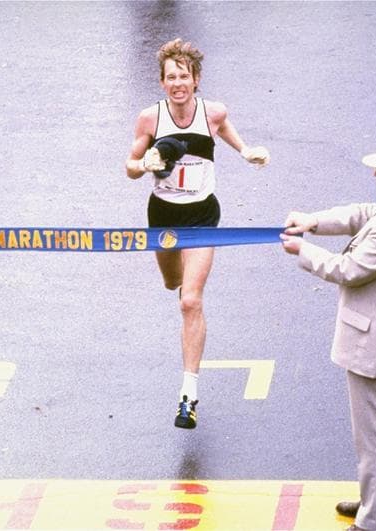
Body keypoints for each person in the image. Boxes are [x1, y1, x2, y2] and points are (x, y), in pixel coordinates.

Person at [280, 138, 376, 530]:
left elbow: (346, 270)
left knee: (375, 438)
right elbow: (365, 213)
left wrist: (303, 249)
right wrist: (314, 221)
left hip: (374, 341)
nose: (375, 175)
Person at [125, 38, 269, 429]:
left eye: (183, 76)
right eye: (170, 77)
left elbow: (229, 134)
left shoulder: (213, 113)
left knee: (190, 301)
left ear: (196, 79)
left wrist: (247, 152)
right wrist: (145, 163)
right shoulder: (149, 119)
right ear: (161, 83)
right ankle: (176, 276)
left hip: (202, 216)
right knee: (172, 282)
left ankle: (187, 396)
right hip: (163, 217)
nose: (177, 83)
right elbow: (129, 165)